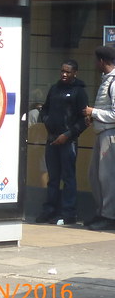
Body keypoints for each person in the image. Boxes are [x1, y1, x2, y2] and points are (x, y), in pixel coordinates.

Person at [35, 60, 88, 226]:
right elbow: (45, 109)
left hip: (68, 141)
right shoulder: (54, 88)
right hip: (52, 139)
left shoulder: (79, 91)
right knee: (53, 178)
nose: (64, 74)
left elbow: (84, 120)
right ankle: (49, 211)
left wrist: (68, 134)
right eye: (62, 71)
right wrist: (46, 120)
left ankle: (68, 214)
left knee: (68, 178)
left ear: (75, 73)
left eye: (68, 72)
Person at [84, 45, 115, 231]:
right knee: (95, 175)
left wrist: (93, 112)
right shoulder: (107, 80)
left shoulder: (113, 82)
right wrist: (93, 117)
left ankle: (109, 216)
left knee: (107, 177)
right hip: (101, 132)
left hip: (110, 135)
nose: (95, 63)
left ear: (102, 61)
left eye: (96, 60)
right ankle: (102, 212)